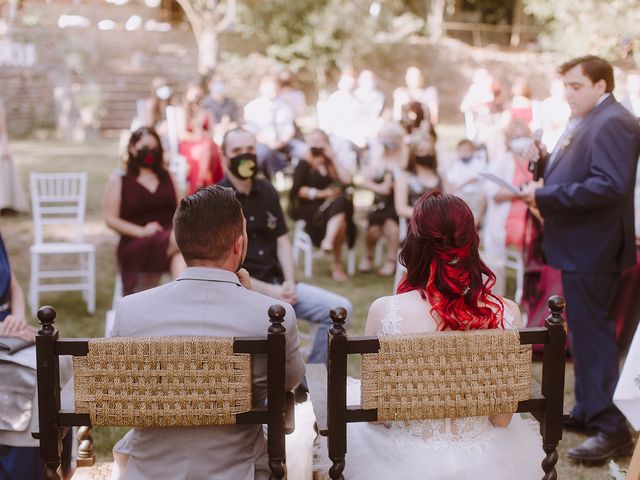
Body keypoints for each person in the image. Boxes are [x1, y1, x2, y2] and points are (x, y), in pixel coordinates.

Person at [313, 192, 543, 479]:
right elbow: (501, 419)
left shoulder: (386, 311)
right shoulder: (507, 313)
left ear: (416, 244)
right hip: (487, 461)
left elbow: (379, 415)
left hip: (401, 463)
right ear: (472, 242)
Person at [111, 185, 305, 480]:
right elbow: (288, 382)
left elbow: (120, 388)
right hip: (239, 471)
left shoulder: (131, 310)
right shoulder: (273, 317)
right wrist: (249, 298)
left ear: (179, 242)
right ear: (238, 245)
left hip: (149, 472)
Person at [520, 55, 640, 462]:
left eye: (575, 86)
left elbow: (610, 184)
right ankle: (591, 410)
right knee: (585, 337)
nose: (567, 94)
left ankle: (612, 428)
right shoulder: (591, 118)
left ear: (601, 85)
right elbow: (574, 170)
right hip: (580, 244)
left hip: (595, 246)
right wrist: (542, 163)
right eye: (565, 87)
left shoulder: (614, 122)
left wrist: (544, 196)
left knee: (595, 337)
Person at [218, 127, 353, 366]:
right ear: (224, 156)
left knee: (340, 310)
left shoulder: (268, 190)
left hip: (282, 285)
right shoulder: (217, 199)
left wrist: (289, 281)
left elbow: (281, 239)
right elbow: (222, 267)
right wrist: (272, 293)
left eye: (250, 149)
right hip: (246, 293)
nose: (245, 155)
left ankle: (312, 377)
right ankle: (287, 381)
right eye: (237, 150)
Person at [0, 229, 74, 480]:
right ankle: (30, 467)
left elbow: (13, 286)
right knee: (36, 375)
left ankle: (63, 461)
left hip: (9, 327)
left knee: (60, 360)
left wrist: (18, 319)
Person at [104, 127, 185, 296]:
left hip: (170, 238)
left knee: (180, 260)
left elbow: (182, 209)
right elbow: (110, 219)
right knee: (186, 237)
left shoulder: (167, 175)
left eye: (155, 149)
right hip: (137, 242)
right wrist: (141, 231)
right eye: (145, 147)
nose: (150, 153)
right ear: (133, 148)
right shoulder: (120, 179)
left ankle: (184, 306)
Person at [288, 129, 355, 282]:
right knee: (342, 217)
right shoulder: (304, 163)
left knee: (342, 202)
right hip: (312, 209)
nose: (317, 144)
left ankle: (328, 242)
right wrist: (323, 194)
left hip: (334, 207)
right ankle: (336, 264)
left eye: (320, 141)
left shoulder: (331, 163)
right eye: (313, 141)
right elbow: (298, 190)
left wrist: (334, 157)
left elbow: (347, 180)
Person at [482, 120, 535, 296]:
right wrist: (520, 192)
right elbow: (493, 193)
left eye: (524, 136)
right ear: (508, 141)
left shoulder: (535, 160)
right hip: (509, 218)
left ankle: (533, 289)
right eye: (516, 137)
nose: (521, 140)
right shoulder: (501, 162)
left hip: (533, 212)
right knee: (528, 234)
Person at [358, 122, 405, 277]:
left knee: (392, 226)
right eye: (385, 138)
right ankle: (368, 255)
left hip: (397, 201)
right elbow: (366, 181)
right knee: (373, 229)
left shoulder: (404, 158)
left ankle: (391, 260)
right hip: (379, 202)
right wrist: (381, 189)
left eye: (391, 138)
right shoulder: (377, 157)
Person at [243, 75, 306, 179]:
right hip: (262, 143)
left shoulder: (285, 106)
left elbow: (289, 129)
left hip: (284, 142)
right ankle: (270, 179)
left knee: (303, 150)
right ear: (261, 89)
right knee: (264, 153)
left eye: (274, 89)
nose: (272, 92)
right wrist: (268, 142)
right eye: (269, 89)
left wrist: (282, 142)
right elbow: (251, 131)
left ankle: (299, 182)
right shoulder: (252, 107)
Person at [178, 84, 224, 194]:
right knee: (205, 148)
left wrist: (202, 133)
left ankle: (201, 181)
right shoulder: (183, 112)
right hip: (189, 144)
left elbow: (211, 133)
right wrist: (196, 137)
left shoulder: (208, 113)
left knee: (208, 145)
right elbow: (182, 135)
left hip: (205, 143)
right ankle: (203, 182)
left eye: (198, 96)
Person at [394, 134, 443, 220]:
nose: (426, 154)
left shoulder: (440, 176)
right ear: (413, 153)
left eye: (429, 151)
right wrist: (427, 217)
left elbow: (451, 201)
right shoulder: (404, 177)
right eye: (421, 151)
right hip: (417, 225)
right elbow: (401, 208)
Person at [446, 139, 487, 226]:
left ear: (473, 150)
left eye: (466, 150)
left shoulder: (479, 162)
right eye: (461, 151)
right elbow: (450, 180)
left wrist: (460, 185)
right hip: (461, 197)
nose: (463, 153)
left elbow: (476, 177)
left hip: (476, 197)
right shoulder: (457, 165)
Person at [202, 71, 241, 144]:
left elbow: (236, 122)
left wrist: (227, 127)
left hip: (230, 136)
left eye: (221, 82)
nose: (219, 85)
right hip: (211, 138)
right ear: (209, 84)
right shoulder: (204, 103)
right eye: (216, 82)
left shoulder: (231, 104)